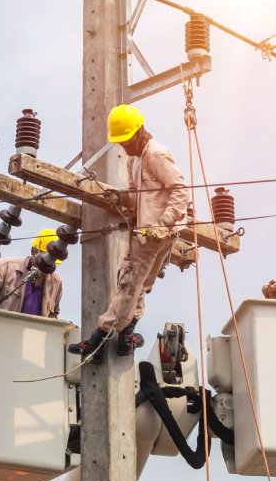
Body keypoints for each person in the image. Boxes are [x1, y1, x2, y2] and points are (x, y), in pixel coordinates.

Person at [70, 104, 188, 357]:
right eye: (120, 142)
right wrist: (122, 198)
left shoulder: (155, 154)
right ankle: (127, 333)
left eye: (126, 141)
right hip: (152, 232)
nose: (124, 147)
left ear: (139, 132)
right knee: (139, 285)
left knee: (128, 283)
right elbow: (137, 197)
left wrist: (163, 223)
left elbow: (181, 190)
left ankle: (99, 338)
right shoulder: (135, 159)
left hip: (155, 233)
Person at [0, 229, 64, 319]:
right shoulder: (7, 268)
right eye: (45, 258)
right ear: (33, 251)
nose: (48, 264)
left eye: (53, 261)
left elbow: (53, 315)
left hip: (34, 337)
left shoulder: (56, 283)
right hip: (2, 334)